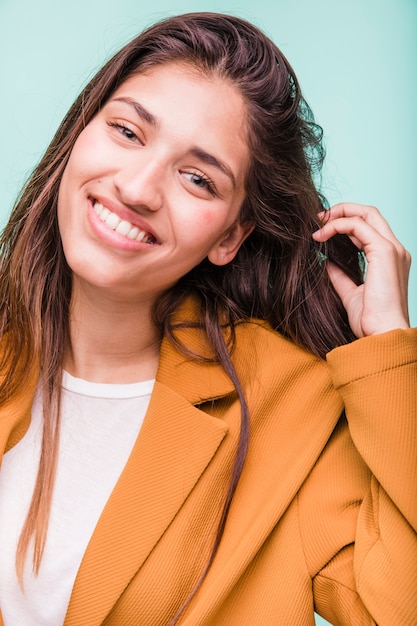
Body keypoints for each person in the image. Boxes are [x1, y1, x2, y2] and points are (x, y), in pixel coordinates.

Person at [0, 11, 415, 626]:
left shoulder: (292, 409)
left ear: (231, 236)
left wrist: (390, 349)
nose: (139, 188)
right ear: (80, 133)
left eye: (197, 178)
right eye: (127, 132)